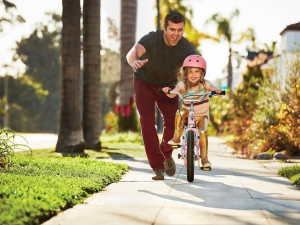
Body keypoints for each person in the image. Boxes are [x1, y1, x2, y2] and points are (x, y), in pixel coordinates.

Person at [126, 11, 196, 180]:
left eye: (180, 30)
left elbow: (195, 63)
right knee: (147, 122)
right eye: (172, 29)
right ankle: (157, 166)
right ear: (165, 28)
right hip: (144, 83)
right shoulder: (152, 38)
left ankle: (166, 154)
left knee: (174, 124)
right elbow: (132, 53)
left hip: (168, 86)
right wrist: (134, 61)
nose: (176, 34)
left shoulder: (184, 46)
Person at [162, 55, 221, 170]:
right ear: (185, 73)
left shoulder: (206, 84)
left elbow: (214, 89)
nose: (193, 75)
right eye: (190, 72)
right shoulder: (183, 84)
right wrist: (167, 91)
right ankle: (177, 137)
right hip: (187, 114)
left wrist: (216, 91)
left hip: (202, 115)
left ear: (202, 73)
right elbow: (173, 93)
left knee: (203, 132)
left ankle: (204, 159)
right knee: (179, 112)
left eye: (197, 72)